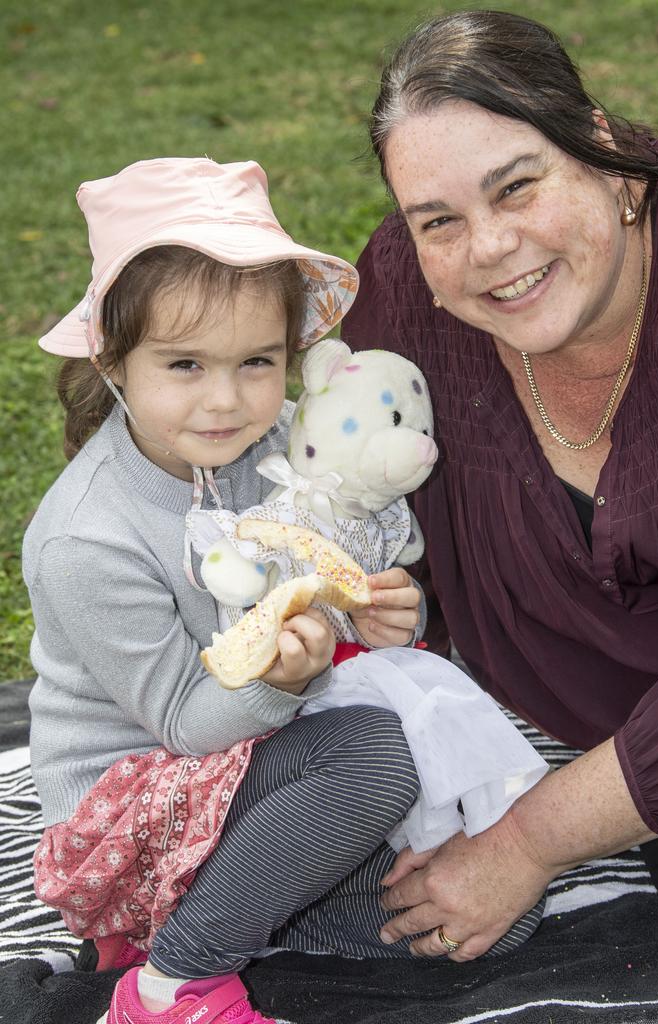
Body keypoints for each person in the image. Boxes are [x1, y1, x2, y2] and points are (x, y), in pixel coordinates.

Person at [23, 157, 543, 1024]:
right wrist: (285, 680)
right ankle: (171, 981)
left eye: (257, 362)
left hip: (261, 783)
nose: (227, 402)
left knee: (487, 913)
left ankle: (238, 904)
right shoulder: (88, 539)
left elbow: (322, 579)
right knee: (377, 753)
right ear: (113, 357)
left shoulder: (277, 458)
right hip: (136, 814)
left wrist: (381, 614)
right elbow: (188, 726)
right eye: (185, 365)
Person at [340, 9, 658, 976]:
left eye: (518, 187)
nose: (488, 247)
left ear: (605, 156)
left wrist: (525, 844)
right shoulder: (407, 291)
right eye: (438, 219)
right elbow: (352, 498)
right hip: (622, 734)